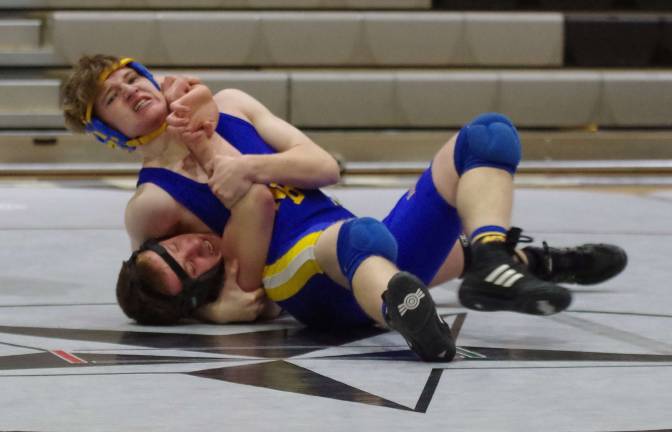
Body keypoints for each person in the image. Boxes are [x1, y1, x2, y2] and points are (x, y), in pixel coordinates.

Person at [61, 55, 627, 360]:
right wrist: (215, 314)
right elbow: (157, 292)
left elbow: (324, 166)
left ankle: (498, 259)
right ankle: (439, 295)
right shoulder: (150, 204)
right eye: (112, 97)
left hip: (349, 234)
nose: (132, 89)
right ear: (106, 132)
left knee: (488, 137)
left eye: (134, 76)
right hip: (297, 274)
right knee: (361, 240)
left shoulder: (230, 104)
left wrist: (248, 165)